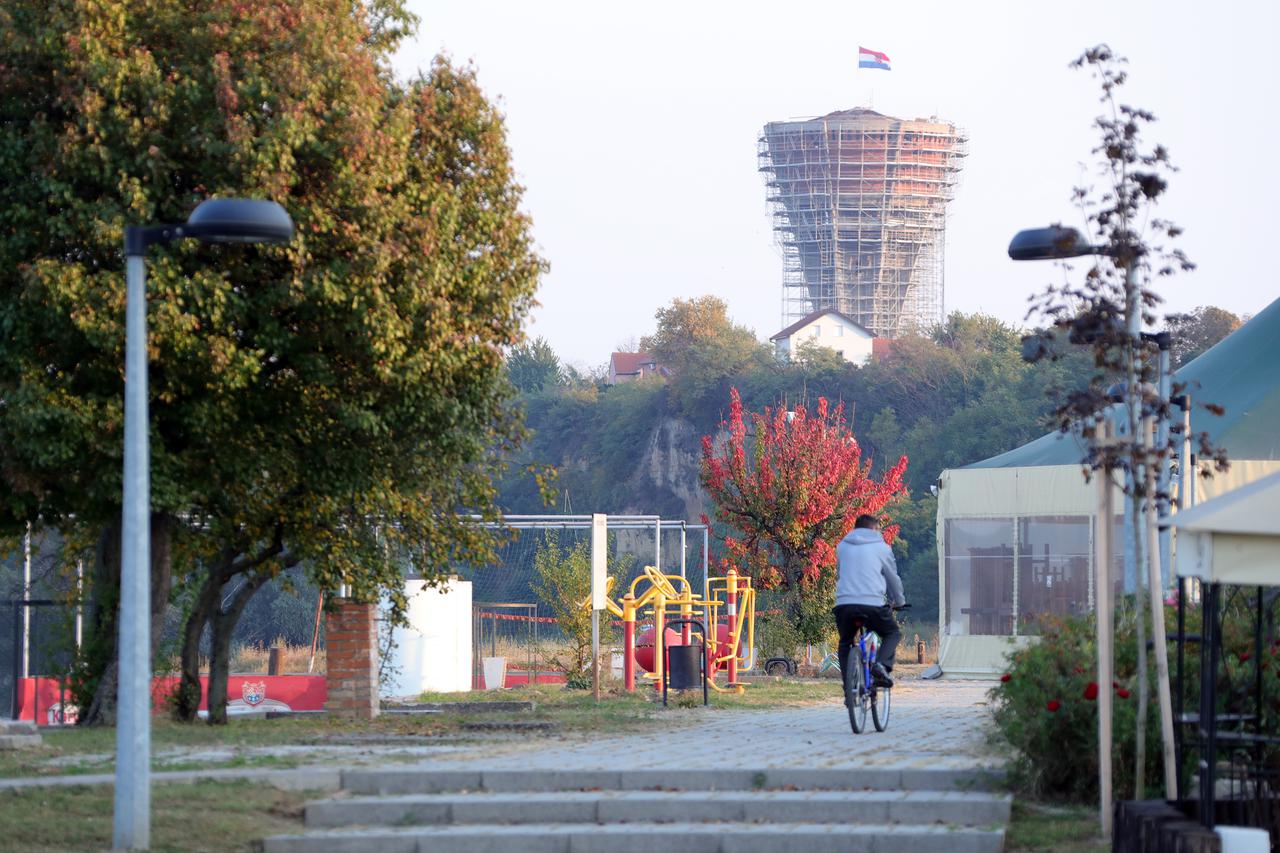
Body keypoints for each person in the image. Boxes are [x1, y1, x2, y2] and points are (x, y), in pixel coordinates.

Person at [833, 513, 905, 689]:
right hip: (872, 605)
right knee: (892, 633)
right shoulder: (882, 548)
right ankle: (881, 665)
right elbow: (892, 578)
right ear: (874, 529)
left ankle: (848, 686)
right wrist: (899, 601)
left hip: (845, 605)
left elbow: (842, 573)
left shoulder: (842, 546)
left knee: (845, 643)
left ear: (855, 528)